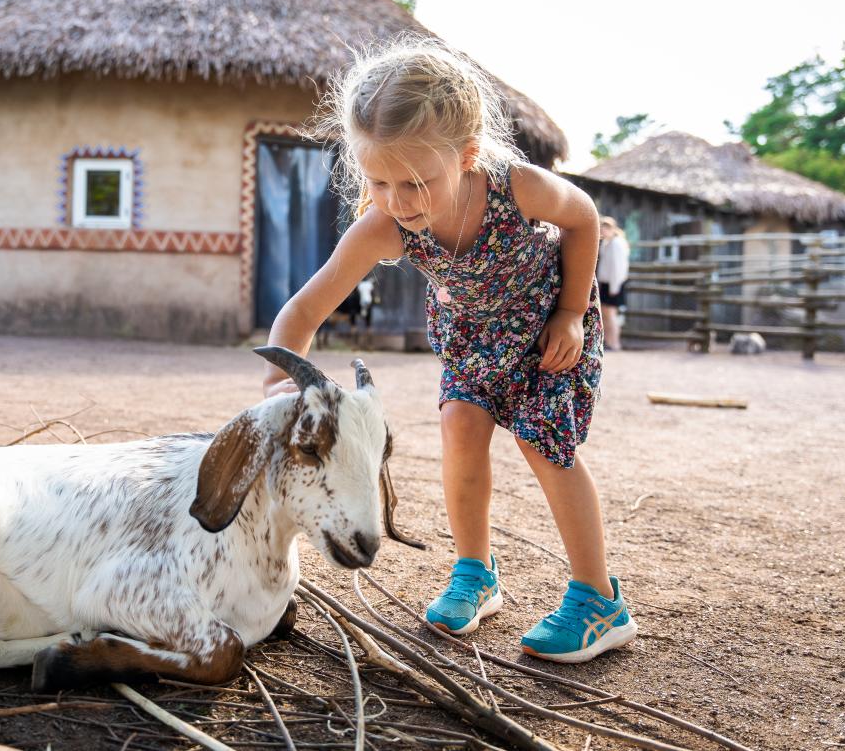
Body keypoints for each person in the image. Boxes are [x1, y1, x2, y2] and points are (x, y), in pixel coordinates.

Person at [261, 39, 636, 663]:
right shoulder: (384, 225)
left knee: (543, 444)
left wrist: (572, 312)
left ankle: (600, 600)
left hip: (547, 329)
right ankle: (475, 572)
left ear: (466, 156)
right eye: (379, 182)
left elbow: (584, 217)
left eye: (416, 183)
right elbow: (303, 311)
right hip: (473, 340)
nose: (398, 201)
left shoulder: (517, 187)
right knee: (459, 426)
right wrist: (280, 381)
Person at [596, 217, 630, 351]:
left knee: (611, 315)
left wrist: (614, 287)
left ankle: (615, 343)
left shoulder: (617, 243)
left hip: (613, 284)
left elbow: (618, 268)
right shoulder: (607, 243)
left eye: (605, 228)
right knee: (605, 315)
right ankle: (609, 341)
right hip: (606, 284)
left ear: (612, 229)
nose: (602, 231)